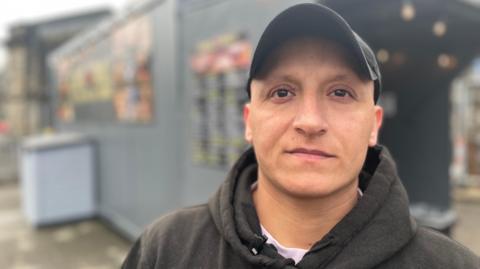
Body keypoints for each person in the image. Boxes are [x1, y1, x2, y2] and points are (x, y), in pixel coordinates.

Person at [122, 3, 480, 268]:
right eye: (282, 92)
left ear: (374, 124)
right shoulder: (167, 249)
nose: (309, 121)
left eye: (340, 93)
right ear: (249, 120)